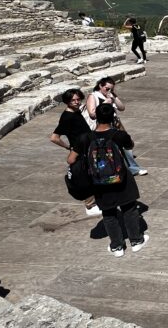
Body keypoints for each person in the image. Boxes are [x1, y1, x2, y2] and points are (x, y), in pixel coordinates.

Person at [68, 103, 147, 257]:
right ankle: (136, 241)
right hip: (121, 179)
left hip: (98, 182)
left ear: (96, 117)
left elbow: (71, 160)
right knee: (129, 209)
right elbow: (130, 145)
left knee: (109, 213)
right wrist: (119, 127)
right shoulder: (118, 135)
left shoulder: (85, 138)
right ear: (113, 117)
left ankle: (117, 246)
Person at [50, 88, 100, 217]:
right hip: (79, 152)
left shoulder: (76, 112)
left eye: (78, 99)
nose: (77, 102)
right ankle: (90, 205)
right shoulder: (67, 117)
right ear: (67, 101)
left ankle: (96, 201)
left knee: (92, 175)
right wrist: (68, 147)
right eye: (73, 100)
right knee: (84, 177)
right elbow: (54, 137)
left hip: (87, 149)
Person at [85, 77, 147, 176]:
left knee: (126, 145)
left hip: (115, 124)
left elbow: (122, 108)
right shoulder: (93, 96)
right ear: (100, 86)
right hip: (101, 126)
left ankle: (132, 167)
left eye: (111, 89)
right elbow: (92, 113)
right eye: (107, 88)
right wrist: (105, 103)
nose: (109, 91)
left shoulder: (111, 96)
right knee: (108, 148)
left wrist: (114, 98)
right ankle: (123, 169)